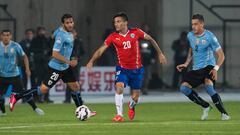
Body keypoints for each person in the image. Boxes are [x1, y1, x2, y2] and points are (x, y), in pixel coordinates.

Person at [9, 14, 96, 118]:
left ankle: (83, 110)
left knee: (75, 86)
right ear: (63, 24)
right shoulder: (62, 36)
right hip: (56, 68)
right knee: (43, 90)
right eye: (67, 23)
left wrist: (54, 37)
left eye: (71, 22)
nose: (70, 24)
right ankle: (17, 96)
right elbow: (54, 54)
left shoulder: (63, 31)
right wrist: (69, 62)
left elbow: (53, 35)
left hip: (65, 68)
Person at [86, 12, 167, 122]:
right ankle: (119, 115)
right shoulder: (113, 37)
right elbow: (101, 50)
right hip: (122, 69)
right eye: (115, 22)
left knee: (135, 97)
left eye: (118, 21)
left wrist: (160, 53)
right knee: (119, 87)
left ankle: (132, 105)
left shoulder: (136, 32)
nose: (116, 24)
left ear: (125, 22)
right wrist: (91, 61)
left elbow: (151, 39)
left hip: (137, 69)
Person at [177, 14, 230, 120]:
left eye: (196, 24)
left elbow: (221, 55)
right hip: (196, 69)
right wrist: (186, 63)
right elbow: (192, 49)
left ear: (202, 24)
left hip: (208, 66)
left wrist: (215, 68)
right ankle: (205, 106)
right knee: (184, 88)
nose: (193, 26)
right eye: (192, 24)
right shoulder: (190, 36)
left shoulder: (210, 36)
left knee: (208, 87)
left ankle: (224, 114)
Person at [0, 29, 44, 116]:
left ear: (11, 36)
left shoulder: (15, 46)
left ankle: (36, 108)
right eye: (4, 35)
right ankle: (2, 111)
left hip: (14, 75)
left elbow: (25, 57)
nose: (6, 37)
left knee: (23, 93)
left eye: (8, 35)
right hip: (2, 75)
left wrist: (27, 69)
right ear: (1, 36)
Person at [30, 26, 53, 103]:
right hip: (38, 63)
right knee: (38, 82)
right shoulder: (34, 40)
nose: (42, 32)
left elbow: (51, 49)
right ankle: (36, 97)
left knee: (47, 81)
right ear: (38, 32)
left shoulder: (47, 40)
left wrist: (47, 54)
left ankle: (46, 97)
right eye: (41, 31)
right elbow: (32, 50)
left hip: (46, 63)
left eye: (43, 31)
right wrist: (40, 53)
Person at [64, 29, 85, 103]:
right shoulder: (66, 42)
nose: (72, 34)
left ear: (75, 33)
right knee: (69, 81)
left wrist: (78, 59)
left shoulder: (79, 42)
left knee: (76, 81)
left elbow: (83, 53)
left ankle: (78, 98)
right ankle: (67, 99)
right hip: (68, 63)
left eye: (73, 33)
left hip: (76, 64)